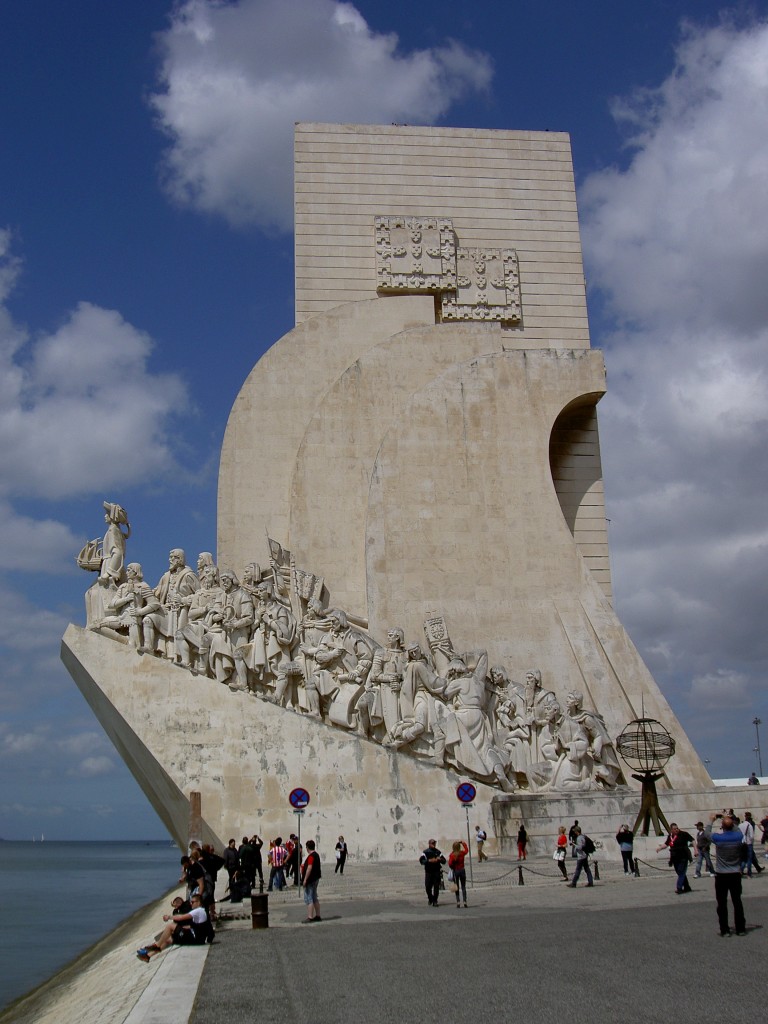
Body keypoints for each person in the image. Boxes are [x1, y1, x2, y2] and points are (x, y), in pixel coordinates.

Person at [137, 893, 213, 961]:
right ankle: (148, 956)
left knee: (170, 926)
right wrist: (181, 929)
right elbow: (195, 926)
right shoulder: (201, 911)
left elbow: (181, 917)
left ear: (199, 902)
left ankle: (157, 945)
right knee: (168, 939)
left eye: (193, 902)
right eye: (191, 902)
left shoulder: (198, 910)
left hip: (195, 938)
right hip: (196, 937)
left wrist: (169, 917)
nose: (191, 904)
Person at [706, 813, 746, 936]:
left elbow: (707, 834)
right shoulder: (738, 836)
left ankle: (725, 930)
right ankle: (740, 929)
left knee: (722, 903)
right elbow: (736, 828)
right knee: (737, 902)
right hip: (735, 873)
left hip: (722, 874)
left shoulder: (719, 838)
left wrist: (711, 820)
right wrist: (725, 817)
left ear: (722, 827)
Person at [656, 823, 693, 894]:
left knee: (681, 872)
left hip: (683, 856)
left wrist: (696, 849)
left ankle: (679, 888)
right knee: (679, 872)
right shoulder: (670, 836)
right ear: (671, 830)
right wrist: (660, 848)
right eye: (675, 829)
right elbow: (666, 844)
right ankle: (687, 887)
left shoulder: (683, 834)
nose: (677, 829)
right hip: (674, 857)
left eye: (677, 828)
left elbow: (693, 840)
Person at [301, 840, 322, 923]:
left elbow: (309, 868)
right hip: (316, 878)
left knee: (309, 898)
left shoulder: (311, 856)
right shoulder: (316, 855)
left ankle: (310, 917)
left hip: (311, 880)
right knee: (314, 898)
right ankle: (318, 915)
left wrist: (305, 879)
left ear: (307, 848)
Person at [420, 839, 446, 906]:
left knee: (436, 887)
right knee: (428, 886)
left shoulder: (438, 852)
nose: (433, 844)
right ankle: (430, 898)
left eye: (434, 843)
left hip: (436, 871)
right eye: (432, 843)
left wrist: (439, 859)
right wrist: (429, 860)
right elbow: (421, 861)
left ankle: (435, 900)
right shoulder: (425, 852)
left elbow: (444, 861)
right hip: (428, 872)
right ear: (429, 844)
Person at [739, 812, 763, 876]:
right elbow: (752, 836)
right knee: (749, 858)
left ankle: (741, 871)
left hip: (742, 843)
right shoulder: (750, 825)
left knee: (743, 858)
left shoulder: (740, 825)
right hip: (749, 843)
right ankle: (749, 872)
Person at [448, 840, 469, 907]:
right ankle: (465, 901)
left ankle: (458, 902)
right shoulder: (462, 853)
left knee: (456, 887)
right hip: (462, 870)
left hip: (456, 871)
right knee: (463, 886)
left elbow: (450, 864)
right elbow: (466, 850)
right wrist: (463, 843)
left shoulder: (452, 855)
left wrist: (453, 867)